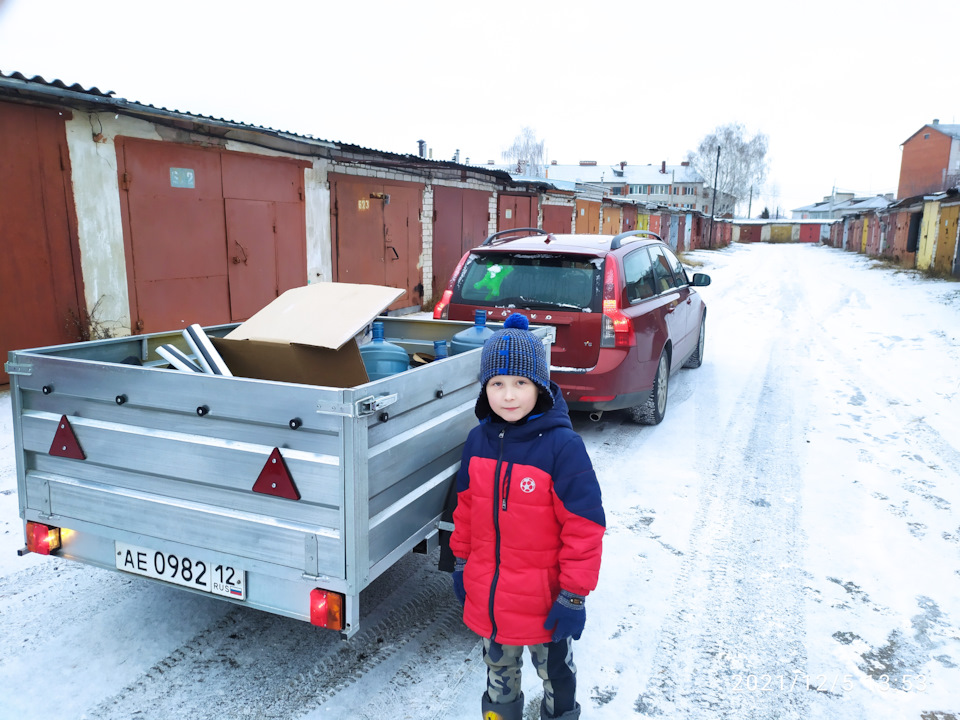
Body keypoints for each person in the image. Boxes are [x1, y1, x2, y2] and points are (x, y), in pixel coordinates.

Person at [449, 313, 606, 720]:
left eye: (521, 382)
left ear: (540, 385)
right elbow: (464, 511)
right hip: (492, 597)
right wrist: (462, 564)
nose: (509, 395)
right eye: (497, 384)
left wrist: (572, 596)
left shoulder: (562, 448)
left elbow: (584, 528)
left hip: (545, 601)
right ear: (485, 388)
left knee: (555, 675)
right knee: (498, 673)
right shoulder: (477, 442)